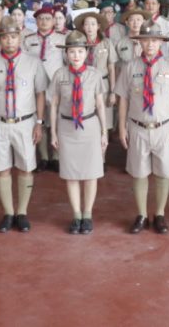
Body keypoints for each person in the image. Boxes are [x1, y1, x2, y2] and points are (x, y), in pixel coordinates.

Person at [116, 21, 169, 235]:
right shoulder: (130, 67)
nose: (150, 44)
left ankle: (160, 213)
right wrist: (122, 128)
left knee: (163, 173)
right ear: (140, 43)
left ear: (161, 43)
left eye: (154, 40)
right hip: (137, 127)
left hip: (164, 128)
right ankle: (142, 214)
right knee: (139, 173)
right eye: (146, 40)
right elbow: (124, 100)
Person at [0, 20, 47, 234]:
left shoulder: (33, 62)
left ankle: (22, 212)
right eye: (5, 37)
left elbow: (40, 93)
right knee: (1, 168)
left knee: (26, 167)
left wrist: (39, 123)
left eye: (13, 36)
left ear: (20, 38)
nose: (9, 41)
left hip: (25, 122)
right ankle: (8, 212)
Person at [48, 31, 108, 234]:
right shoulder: (59, 75)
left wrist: (104, 132)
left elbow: (100, 104)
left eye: (80, 51)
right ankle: (76, 215)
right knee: (71, 174)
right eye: (72, 51)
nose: (76, 56)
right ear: (66, 54)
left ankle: (88, 214)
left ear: (86, 53)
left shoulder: (94, 74)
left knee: (91, 174)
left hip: (89, 126)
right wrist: (54, 133)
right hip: (67, 128)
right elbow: (54, 105)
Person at [24, 5, 65, 171]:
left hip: (56, 86)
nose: (44, 21)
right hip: (35, 86)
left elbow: (68, 63)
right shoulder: (28, 40)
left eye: (48, 18)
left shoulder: (62, 39)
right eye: (40, 19)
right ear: (36, 21)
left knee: (56, 121)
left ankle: (56, 157)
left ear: (54, 20)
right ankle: (44, 157)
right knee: (38, 120)